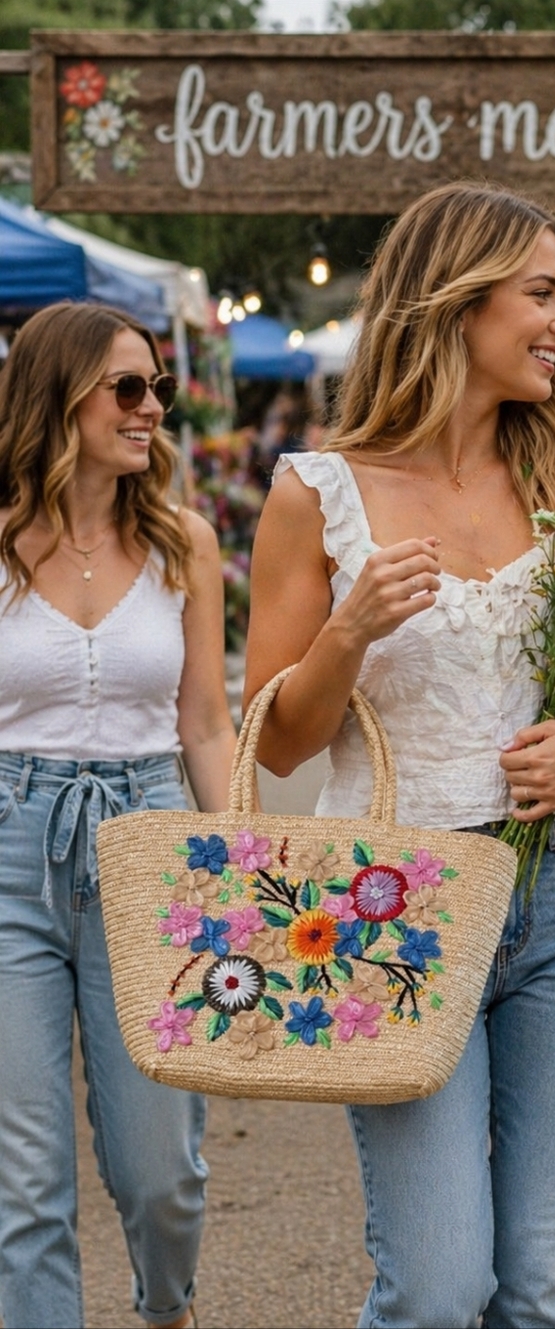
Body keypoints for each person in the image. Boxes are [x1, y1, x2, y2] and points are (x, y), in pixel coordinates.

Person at [243, 181, 555, 1329]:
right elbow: (275, 740)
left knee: (539, 1291)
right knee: (435, 1291)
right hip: (392, 901)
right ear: (457, 301)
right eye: (543, 295)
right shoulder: (318, 493)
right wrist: (349, 630)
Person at [0, 302, 236, 1329]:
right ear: (57, 398)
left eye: (159, 389)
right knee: (23, 1172)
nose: (152, 409)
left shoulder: (185, 541)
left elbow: (207, 722)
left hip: (153, 846)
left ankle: (167, 1306)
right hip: (10, 840)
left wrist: (244, 866)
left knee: (160, 1168)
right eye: (128, 389)